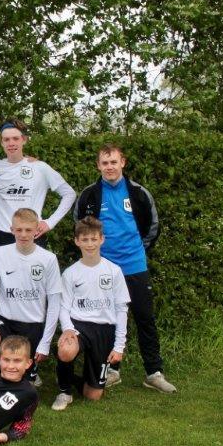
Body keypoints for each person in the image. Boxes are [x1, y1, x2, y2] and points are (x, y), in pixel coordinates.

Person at [75, 143, 177, 393]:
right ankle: (112, 371)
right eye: (105, 163)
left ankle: (153, 372)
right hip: (104, 268)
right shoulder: (89, 195)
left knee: (145, 318)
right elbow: (80, 226)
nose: (109, 167)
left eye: (114, 162)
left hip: (134, 265)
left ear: (123, 163)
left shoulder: (139, 193)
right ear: (98, 166)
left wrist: (137, 250)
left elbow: (152, 227)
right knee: (108, 320)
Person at [0, 208, 62, 386]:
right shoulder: (0, 253)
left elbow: (54, 303)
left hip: (32, 325)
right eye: (19, 229)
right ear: (11, 229)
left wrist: (45, 342)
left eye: (28, 230)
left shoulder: (48, 259)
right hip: (3, 320)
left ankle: (24, 374)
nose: (23, 234)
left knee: (23, 385)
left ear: (36, 230)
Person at [51, 216, 130, 411]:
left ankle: (72, 376)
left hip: (104, 330)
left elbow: (121, 309)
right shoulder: (71, 273)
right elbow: (64, 307)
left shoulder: (114, 271)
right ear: (77, 241)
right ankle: (64, 392)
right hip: (79, 326)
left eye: (94, 239)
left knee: (92, 395)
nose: (89, 244)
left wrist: (119, 346)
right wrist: (68, 329)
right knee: (66, 350)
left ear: (102, 239)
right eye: (85, 239)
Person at [0, 118, 75, 249]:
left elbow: (69, 193)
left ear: (24, 140)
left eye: (15, 138)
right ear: (1, 142)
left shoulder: (39, 167)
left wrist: (50, 223)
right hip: (2, 238)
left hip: (33, 236)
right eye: (7, 139)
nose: (11, 143)